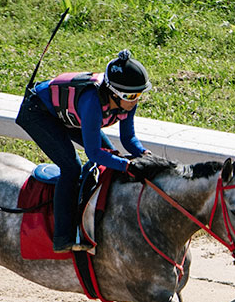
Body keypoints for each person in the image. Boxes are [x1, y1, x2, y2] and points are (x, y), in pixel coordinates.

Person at [16, 49, 155, 253]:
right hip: (38, 113)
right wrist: (127, 165)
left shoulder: (126, 101)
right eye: (133, 96)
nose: (136, 101)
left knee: (112, 156)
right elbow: (94, 153)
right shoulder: (92, 103)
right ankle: (63, 236)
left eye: (140, 94)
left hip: (69, 114)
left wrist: (143, 154)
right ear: (116, 94)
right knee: (72, 167)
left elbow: (128, 139)